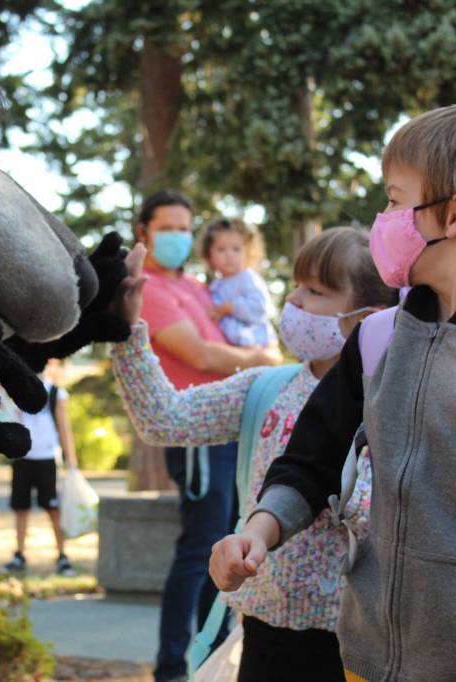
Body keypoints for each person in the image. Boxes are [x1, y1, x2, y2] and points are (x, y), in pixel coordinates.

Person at [210, 99, 456, 681]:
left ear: (453, 214)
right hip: (371, 663)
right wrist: (259, 530)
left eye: (395, 200)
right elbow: (311, 459)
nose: (382, 218)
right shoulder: (376, 341)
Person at [112, 228, 395, 681]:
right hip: (264, 631)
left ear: (370, 318)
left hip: (358, 641)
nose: (295, 301)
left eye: (316, 291)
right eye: (298, 285)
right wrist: (126, 331)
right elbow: (163, 418)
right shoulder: (267, 386)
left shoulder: (396, 404)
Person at [132, 190, 281, 682]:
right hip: (195, 433)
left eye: (183, 228)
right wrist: (263, 359)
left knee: (219, 544)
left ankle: (207, 655)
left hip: (228, 433)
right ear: (143, 232)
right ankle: (172, 667)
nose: (177, 236)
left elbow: (231, 338)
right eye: (167, 227)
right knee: (198, 549)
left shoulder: (200, 287)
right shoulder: (148, 288)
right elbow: (201, 355)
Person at [2, 359, 79, 577]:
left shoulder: (56, 393)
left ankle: (62, 555)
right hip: (23, 457)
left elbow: (64, 427)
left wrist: (71, 459)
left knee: (53, 508)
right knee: (21, 507)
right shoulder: (17, 392)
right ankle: (19, 554)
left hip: (47, 457)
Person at [200, 217, 278, 348]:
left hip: (257, 342)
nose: (229, 255)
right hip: (232, 348)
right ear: (209, 256)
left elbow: (260, 307)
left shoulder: (248, 278)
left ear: (248, 253)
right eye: (221, 249)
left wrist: (231, 307)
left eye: (236, 249)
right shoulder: (215, 286)